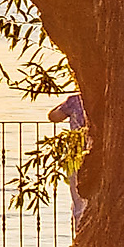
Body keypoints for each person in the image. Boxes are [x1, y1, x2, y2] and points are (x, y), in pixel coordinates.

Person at [48, 92, 89, 227]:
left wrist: (64, 103)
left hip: (75, 153)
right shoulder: (108, 97)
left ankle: (79, 232)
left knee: (78, 198)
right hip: (97, 151)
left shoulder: (75, 100)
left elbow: (53, 116)